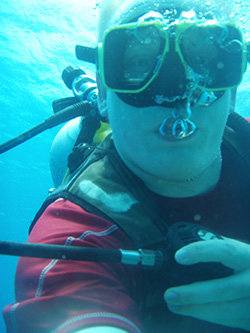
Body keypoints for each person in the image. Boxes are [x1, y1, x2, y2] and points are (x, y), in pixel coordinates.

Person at [3, 0, 250, 332]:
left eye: (204, 61)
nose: (178, 92)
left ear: (232, 92)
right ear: (104, 93)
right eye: (140, 63)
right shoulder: (75, 238)